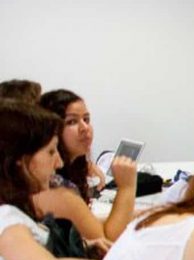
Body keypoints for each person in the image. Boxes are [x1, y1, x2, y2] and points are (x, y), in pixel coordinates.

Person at [0, 102, 98, 260]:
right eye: (51, 152)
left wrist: (85, 246)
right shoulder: (8, 222)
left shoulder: (13, 213)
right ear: (20, 161)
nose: (59, 162)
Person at [34, 89, 138, 244]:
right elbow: (107, 243)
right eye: (71, 122)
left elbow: (86, 226)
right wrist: (127, 188)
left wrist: (143, 214)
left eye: (86, 119)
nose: (85, 128)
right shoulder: (56, 189)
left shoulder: (72, 172)